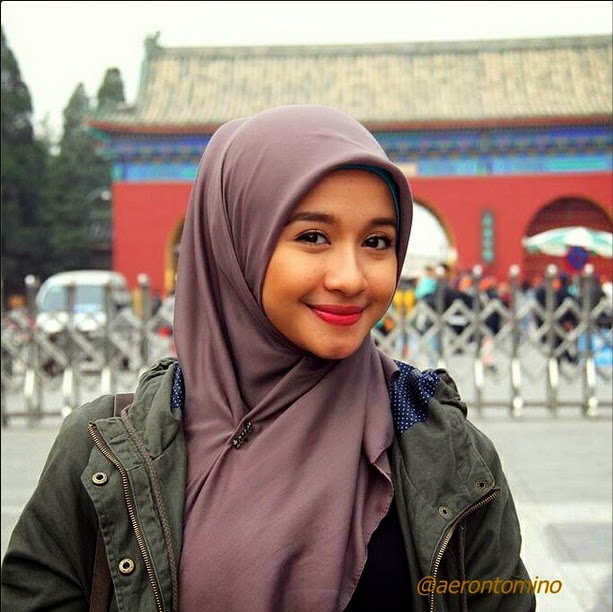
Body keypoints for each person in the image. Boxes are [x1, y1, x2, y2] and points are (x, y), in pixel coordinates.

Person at [1, 105, 535, 611]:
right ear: (235, 245)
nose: (351, 278)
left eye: (377, 241)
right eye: (313, 236)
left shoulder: (445, 451)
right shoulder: (103, 452)